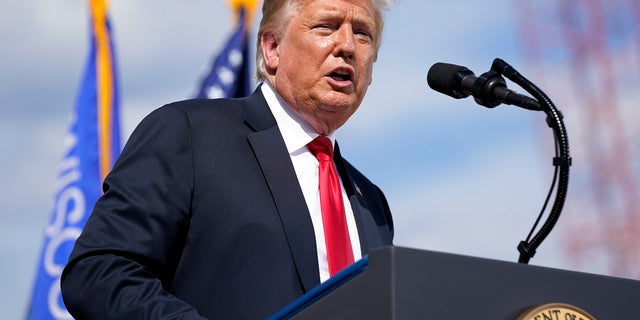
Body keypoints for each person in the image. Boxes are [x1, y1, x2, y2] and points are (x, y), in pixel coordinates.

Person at [61, 0, 396, 318]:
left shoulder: (372, 204)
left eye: (363, 33)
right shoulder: (190, 135)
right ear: (272, 48)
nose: (348, 46)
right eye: (326, 26)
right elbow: (97, 272)